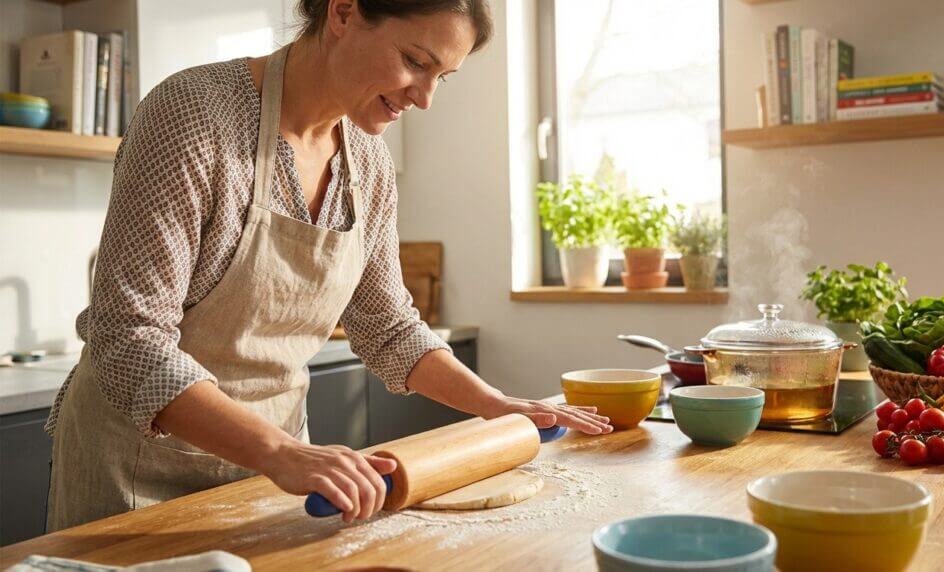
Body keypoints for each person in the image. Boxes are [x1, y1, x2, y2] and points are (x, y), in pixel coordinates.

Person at [45, 0, 612, 531]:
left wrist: (495, 404)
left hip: (276, 471)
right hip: (139, 470)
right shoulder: (193, 114)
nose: (424, 99)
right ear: (343, 12)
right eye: (416, 62)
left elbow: (389, 327)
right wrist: (280, 452)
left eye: (442, 77)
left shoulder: (368, 161)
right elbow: (129, 339)